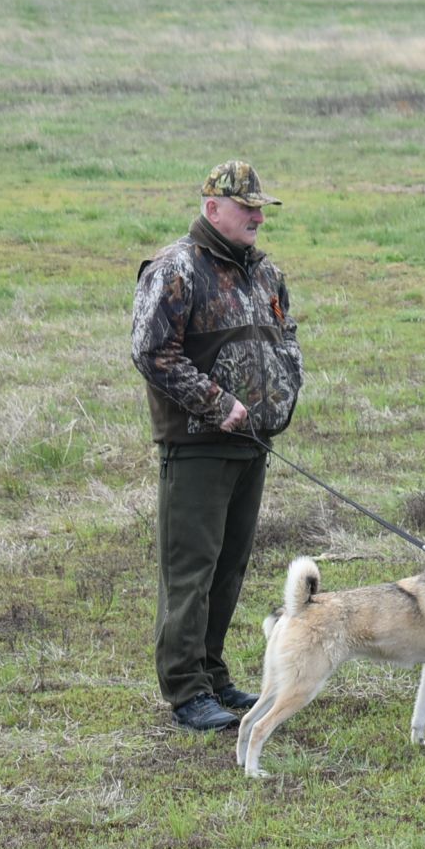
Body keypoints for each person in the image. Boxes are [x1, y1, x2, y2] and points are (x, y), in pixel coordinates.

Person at [132, 161, 303, 731]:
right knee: (192, 570)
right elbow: (152, 352)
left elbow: (287, 336)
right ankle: (185, 691)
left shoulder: (264, 271)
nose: (258, 215)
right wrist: (216, 403)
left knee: (229, 568)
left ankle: (213, 672)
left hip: (253, 445)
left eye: (261, 207)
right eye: (246, 206)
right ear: (213, 209)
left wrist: (284, 392)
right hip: (198, 446)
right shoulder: (176, 267)